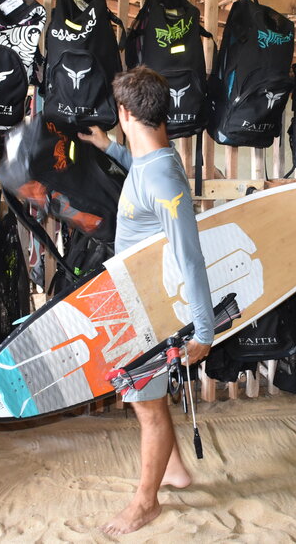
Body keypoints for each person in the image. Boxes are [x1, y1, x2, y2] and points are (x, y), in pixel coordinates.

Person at [78, 66, 215, 535]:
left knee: (148, 407)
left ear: (123, 113)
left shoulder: (163, 179)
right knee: (146, 401)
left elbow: (190, 258)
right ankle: (174, 471)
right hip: (139, 300)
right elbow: (142, 165)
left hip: (152, 311)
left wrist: (204, 331)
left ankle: (146, 502)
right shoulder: (157, 158)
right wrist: (108, 147)